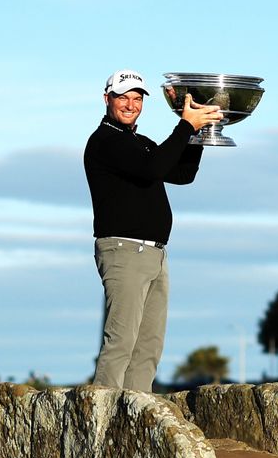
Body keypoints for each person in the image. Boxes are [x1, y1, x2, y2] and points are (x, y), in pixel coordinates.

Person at [85, 69, 222, 392]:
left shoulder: (138, 143)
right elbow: (154, 167)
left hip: (154, 254)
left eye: (136, 98)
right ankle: (99, 423)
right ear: (107, 100)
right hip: (124, 251)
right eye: (123, 98)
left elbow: (181, 173)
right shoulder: (105, 141)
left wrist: (198, 135)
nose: (130, 105)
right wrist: (186, 125)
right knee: (121, 342)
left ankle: (133, 418)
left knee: (148, 347)